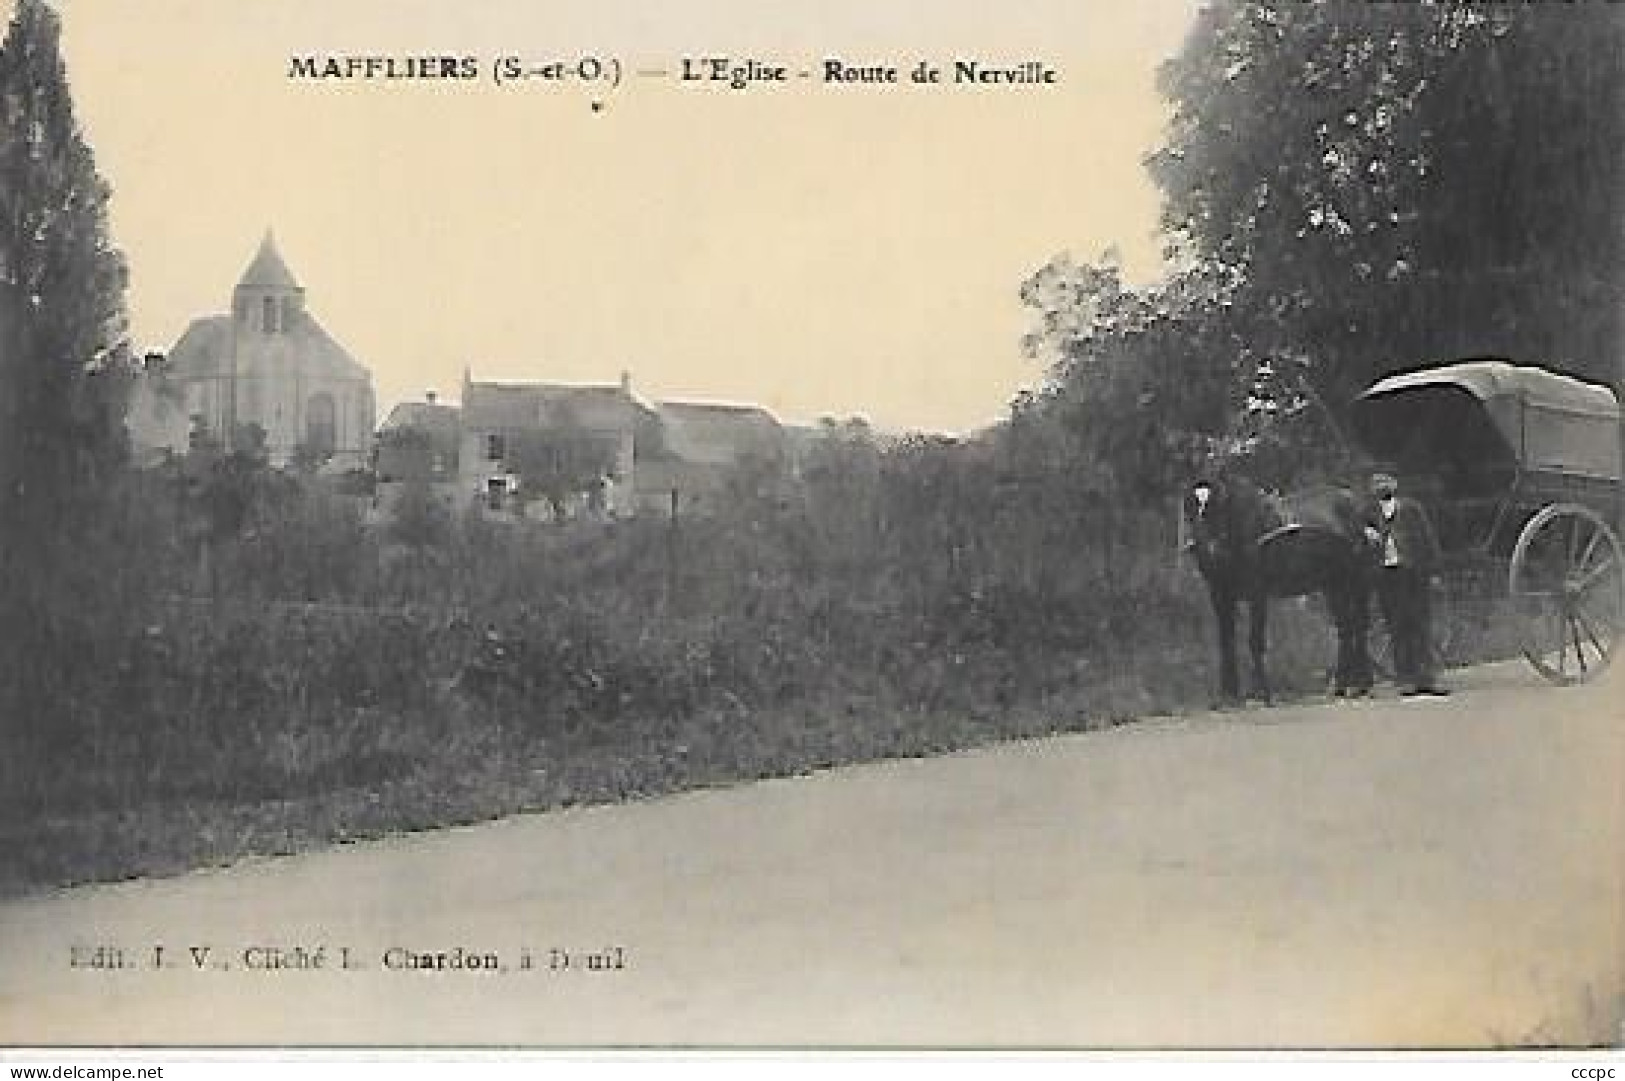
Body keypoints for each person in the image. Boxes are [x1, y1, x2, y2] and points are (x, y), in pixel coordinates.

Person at [1364, 472, 1448, 697]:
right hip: (1386, 576)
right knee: (1397, 626)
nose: (1382, 487)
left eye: (1386, 482)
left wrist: (1434, 571)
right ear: (1372, 490)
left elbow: (1429, 539)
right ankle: (1405, 678)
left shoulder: (1411, 508)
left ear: (1395, 485)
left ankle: (1427, 677)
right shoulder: (1368, 514)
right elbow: (1358, 543)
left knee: (1420, 623)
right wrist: (1367, 535)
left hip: (1414, 572)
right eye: (1377, 484)